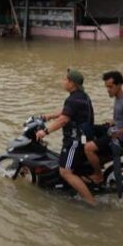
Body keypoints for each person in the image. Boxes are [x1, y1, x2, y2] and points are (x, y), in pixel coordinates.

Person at [35, 68, 98, 206]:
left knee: (65, 171)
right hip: (84, 136)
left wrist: (45, 131)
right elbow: (66, 112)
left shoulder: (73, 100)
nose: (63, 82)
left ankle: (92, 203)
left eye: (65, 79)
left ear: (72, 83)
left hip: (75, 140)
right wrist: (48, 116)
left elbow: (63, 119)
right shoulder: (81, 95)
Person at [85, 70, 123, 183]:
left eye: (111, 87)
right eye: (107, 87)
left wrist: (117, 132)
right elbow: (121, 119)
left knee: (88, 148)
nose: (108, 90)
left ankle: (98, 175)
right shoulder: (117, 98)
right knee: (88, 129)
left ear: (119, 85)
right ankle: (96, 162)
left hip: (120, 138)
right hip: (114, 130)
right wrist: (113, 121)